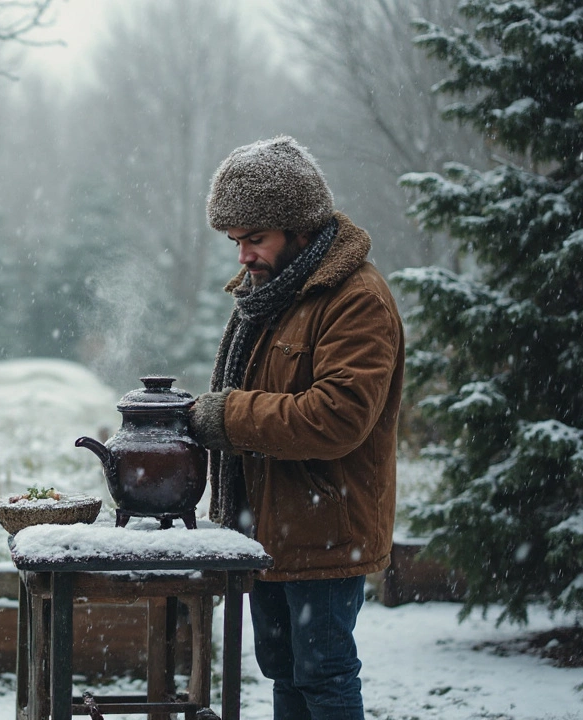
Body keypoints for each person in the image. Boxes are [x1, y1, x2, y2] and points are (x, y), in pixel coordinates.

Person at [188, 136, 405, 720]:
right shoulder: (274, 297)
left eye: (254, 239)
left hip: (325, 532)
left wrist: (226, 416)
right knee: (286, 673)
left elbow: (336, 417)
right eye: (236, 242)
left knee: (324, 675)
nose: (243, 257)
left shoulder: (356, 299)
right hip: (272, 532)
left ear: (300, 227)